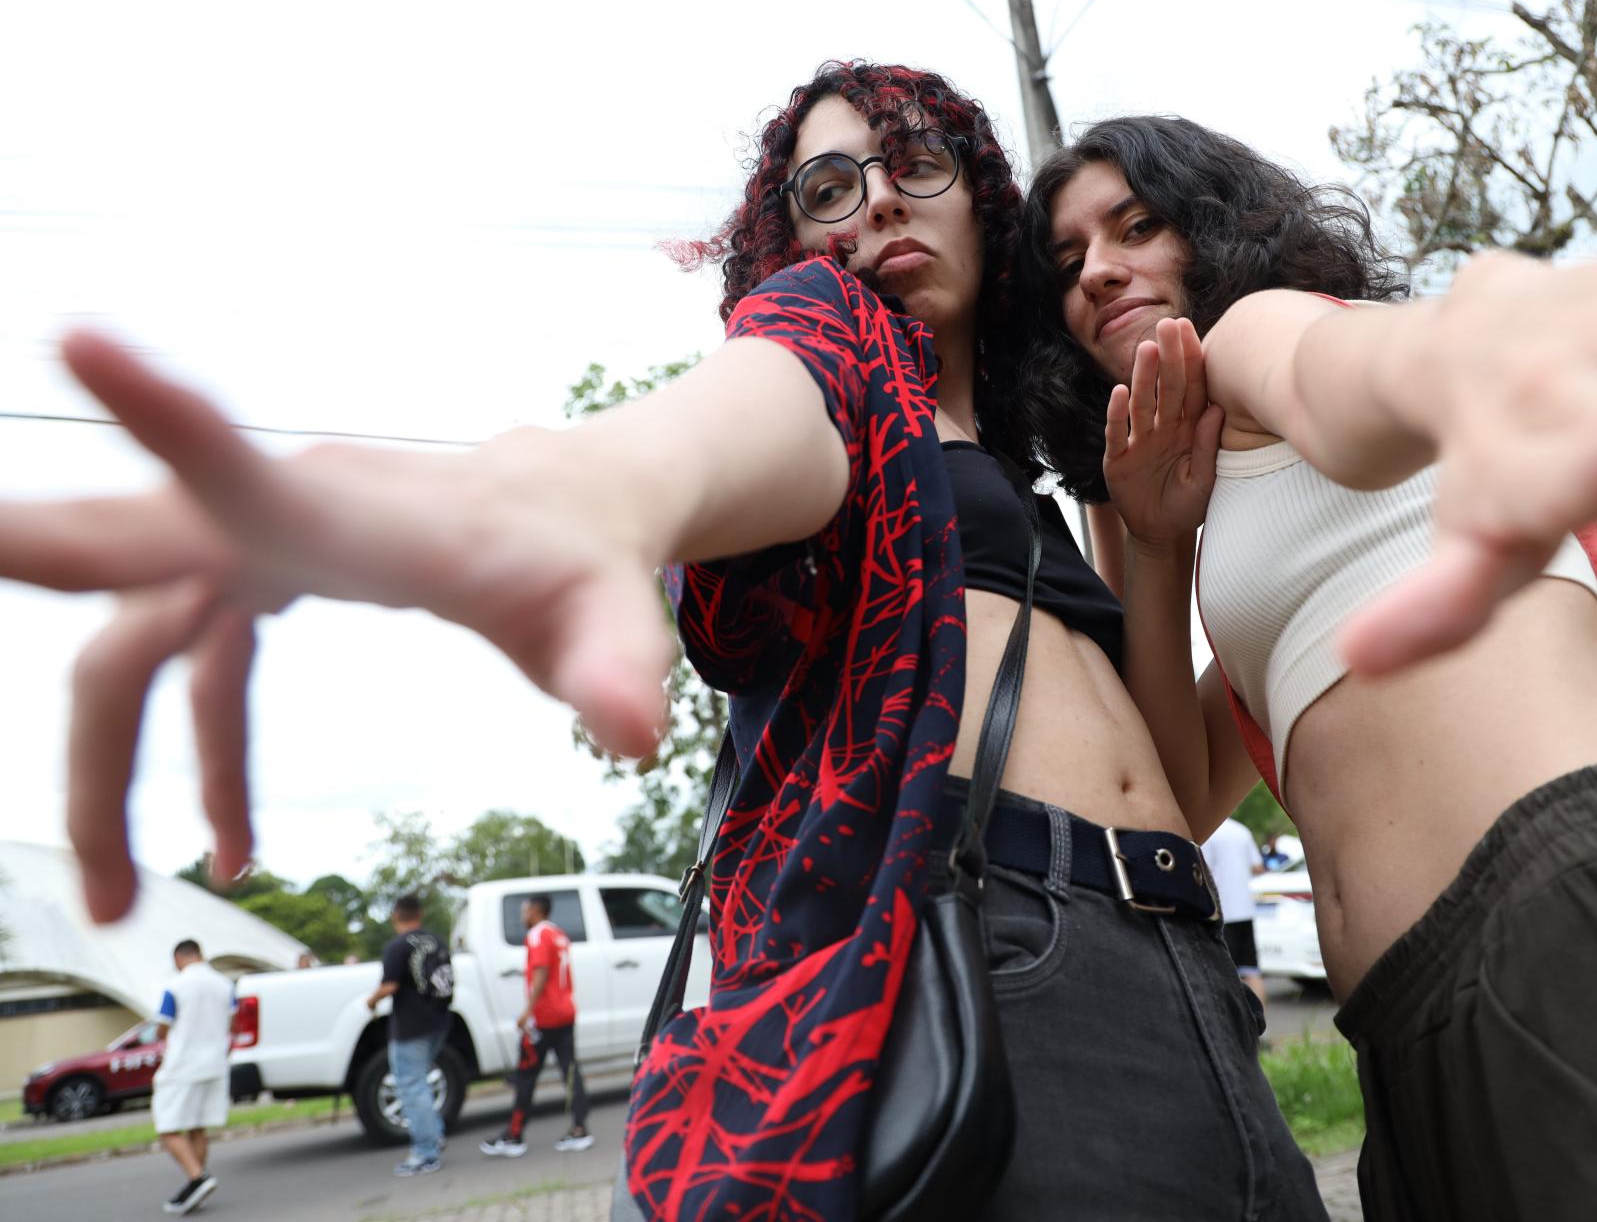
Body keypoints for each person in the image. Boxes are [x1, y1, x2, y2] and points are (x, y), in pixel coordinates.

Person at [0, 61, 1326, 1222]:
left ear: (981, 198)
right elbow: (725, 420)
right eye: (827, 186)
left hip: (1181, 962)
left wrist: (1162, 546)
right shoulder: (834, 351)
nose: (874, 198)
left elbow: (1184, 778)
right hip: (1009, 967)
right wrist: (553, 493)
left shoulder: (1045, 481)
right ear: (795, 243)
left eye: (914, 160)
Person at [1019, 113, 1597, 1219]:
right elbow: (1175, 797)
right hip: (1407, 1033)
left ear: (1212, 229)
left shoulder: (1261, 330)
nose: (1101, 272)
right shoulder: (1216, 513)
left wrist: (1473, 347)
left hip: (1570, 921)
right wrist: (1152, 546)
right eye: (1068, 265)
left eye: (1135, 226)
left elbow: (1344, 377)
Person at [480, 895, 591, 1158]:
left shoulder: (538, 935)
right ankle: (580, 1127)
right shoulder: (557, 933)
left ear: (535, 910)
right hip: (565, 1010)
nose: (522, 916)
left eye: (525, 910)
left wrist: (528, 1010)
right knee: (570, 1070)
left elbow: (540, 971)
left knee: (526, 1074)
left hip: (544, 1016)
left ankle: (514, 1135)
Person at [367, 892, 454, 1176]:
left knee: (410, 1086)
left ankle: (425, 1152)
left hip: (410, 1027)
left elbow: (390, 985)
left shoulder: (397, 946)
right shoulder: (437, 940)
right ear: (420, 913)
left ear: (396, 916)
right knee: (422, 1084)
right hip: (439, 1022)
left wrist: (371, 1000)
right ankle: (435, 1135)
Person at [151, 939, 230, 1215]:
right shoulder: (224, 984)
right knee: (197, 1127)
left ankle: (198, 1177)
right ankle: (196, 1185)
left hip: (183, 1065)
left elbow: (162, 1028)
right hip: (216, 1063)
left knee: (168, 1127)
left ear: (180, 957)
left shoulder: (177, 986)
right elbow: (230, 1018)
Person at [1201, 815, 1268, 1008]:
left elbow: (1204, 870)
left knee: (1224, 973)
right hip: (1245, 910)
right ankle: (1262, 1031)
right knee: (1252, 971)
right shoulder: (1242, 831)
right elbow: (1257, 866)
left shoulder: (1208, 831)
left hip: (1222, 911)